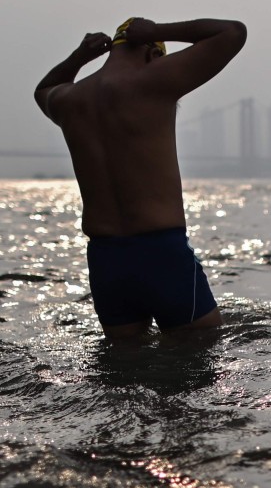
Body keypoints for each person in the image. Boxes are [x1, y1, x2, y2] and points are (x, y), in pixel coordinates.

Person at [34, 17, 247, 338]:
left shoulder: (68, 99)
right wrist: (159, 32)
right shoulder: (154, 80)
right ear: (153, 54)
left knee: (122, 370)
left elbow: (42, 90)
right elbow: (233, 32)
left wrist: (79, 56)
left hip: (105, 260)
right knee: (199, 356)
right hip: (160, 252)